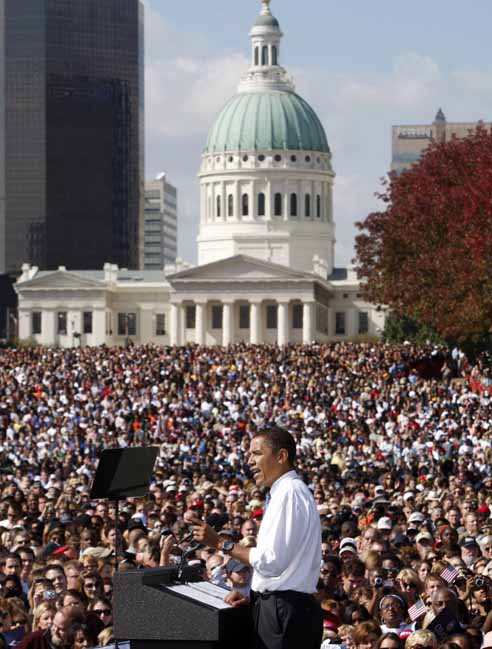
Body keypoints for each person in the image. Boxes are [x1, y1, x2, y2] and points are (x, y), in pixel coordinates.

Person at [192, 426, 323, 649]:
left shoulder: (289, 493)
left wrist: (220, 543)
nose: (250, 461)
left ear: (281, 456)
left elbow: (272, 562)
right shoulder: (285, 492)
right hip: (279, 608)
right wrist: (256, 599)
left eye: (256, 453)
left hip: (285, 613)